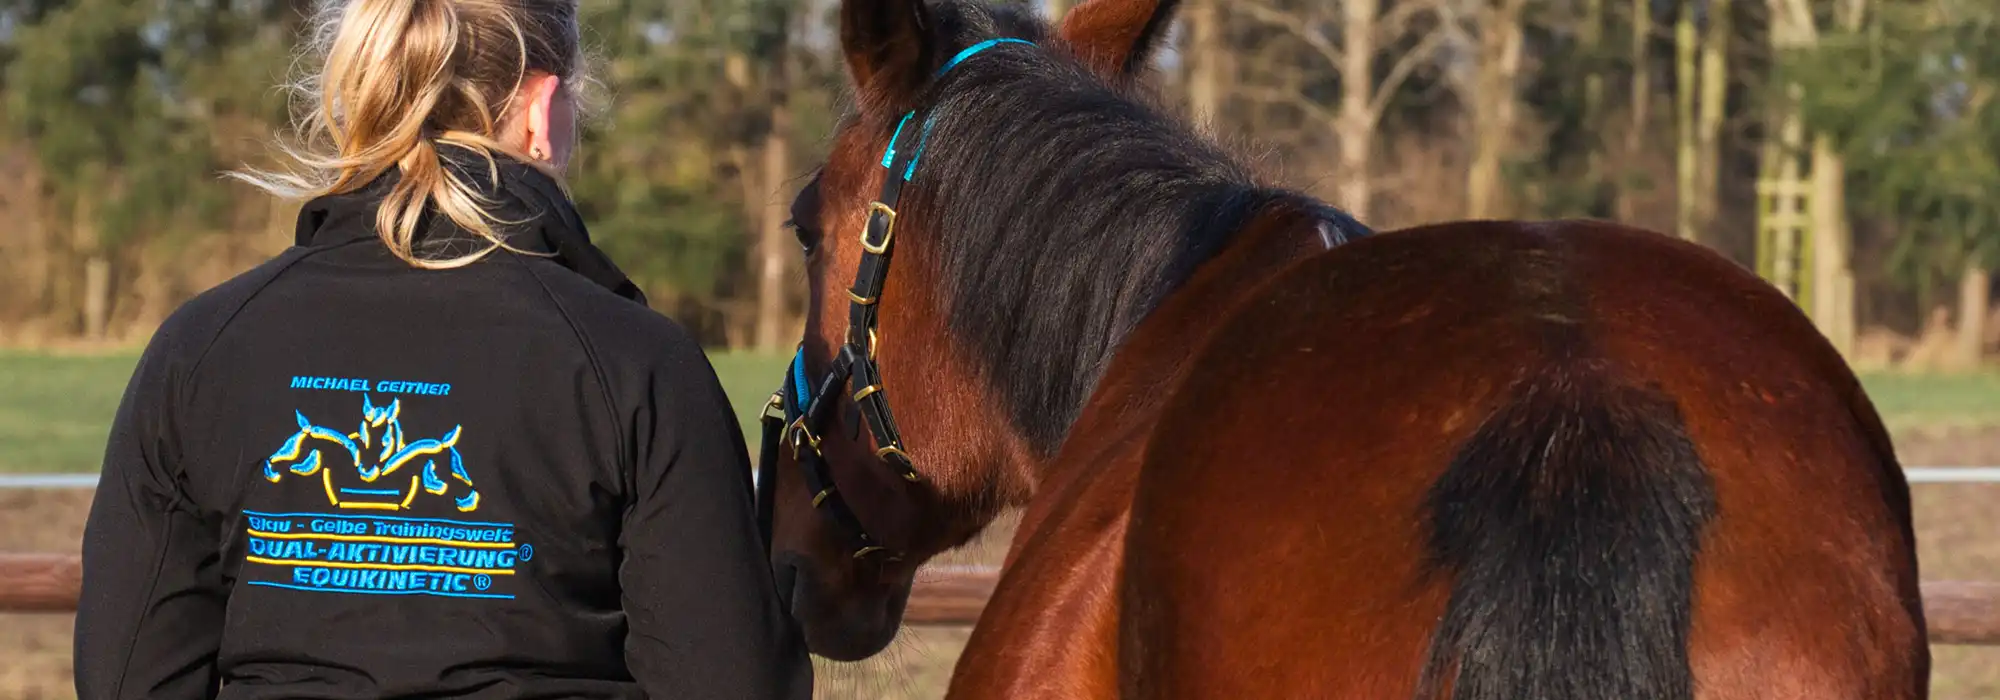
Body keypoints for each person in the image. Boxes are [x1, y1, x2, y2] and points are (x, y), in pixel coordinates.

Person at [71, 0, 811, 698]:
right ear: (541, 113)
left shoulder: (200, 350)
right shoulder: (639, 364)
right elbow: (729, 680)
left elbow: (130, 674)